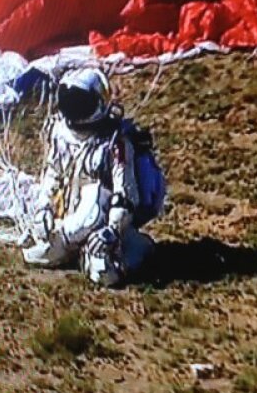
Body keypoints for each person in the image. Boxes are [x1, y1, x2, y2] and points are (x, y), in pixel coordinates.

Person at [22, 67, 162, 287]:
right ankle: (66, 242)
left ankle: (133, 244)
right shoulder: (60, 132)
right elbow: (52, 173)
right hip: (71, 208)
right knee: (36, 254)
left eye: (79, 103)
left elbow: (125, 193)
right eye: (69, 102)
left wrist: (112, 230)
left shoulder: (115, 142)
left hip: (103, 215)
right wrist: (44, 207)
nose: (73, 110)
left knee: (102, 272)